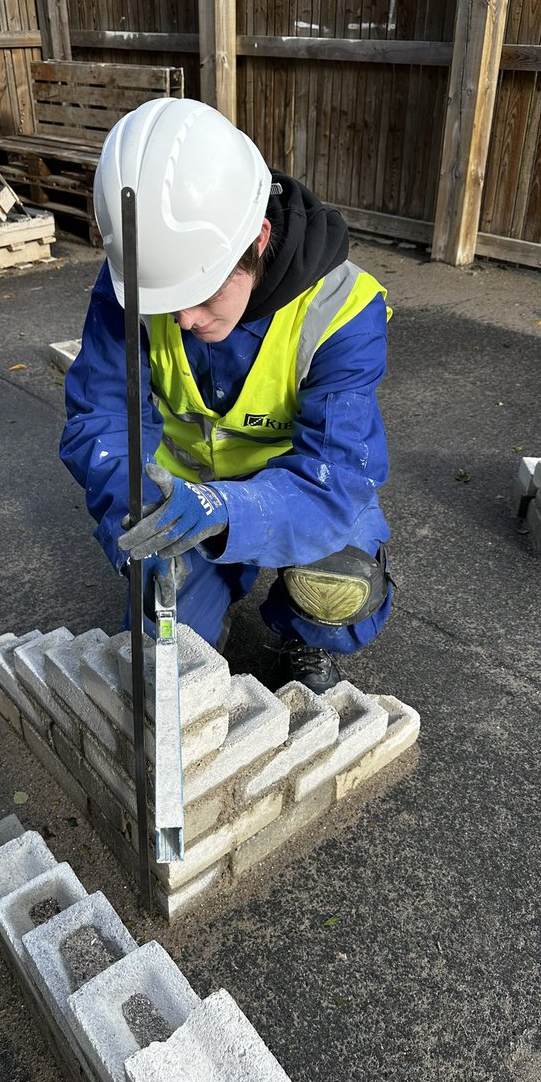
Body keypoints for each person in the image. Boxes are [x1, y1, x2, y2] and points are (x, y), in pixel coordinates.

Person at [59, 97, 393, 694]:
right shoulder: (139, 278)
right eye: (168, 300)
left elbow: (338, 473)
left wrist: (227, 508)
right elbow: (101, 416)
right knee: (163, 643)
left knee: (339, 580)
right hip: (178, 492)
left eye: (204, 292)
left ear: (259, 240)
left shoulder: (340, 308)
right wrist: (136, 507)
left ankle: (305, 636)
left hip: (293, 491)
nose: (184, 319)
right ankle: (199, 598)